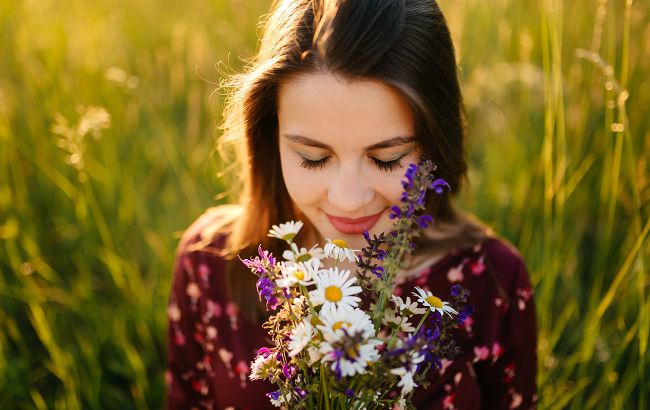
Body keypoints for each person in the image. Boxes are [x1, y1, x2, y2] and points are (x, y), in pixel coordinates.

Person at [165, 0, 538, 408]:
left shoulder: (492, 282)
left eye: (386, 159)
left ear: (435, 140)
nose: (348, 198)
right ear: (270, 136)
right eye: (313, 157)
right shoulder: (211, 262)